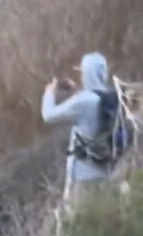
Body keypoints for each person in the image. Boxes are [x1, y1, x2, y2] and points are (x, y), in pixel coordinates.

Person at [41, 52, 115, 196]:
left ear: (87, 74)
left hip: (83, 176)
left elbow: (48, 116)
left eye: (82, 72)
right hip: (106, 172)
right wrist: (77, 92)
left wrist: (49, 94)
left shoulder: (83, 101)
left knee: (80, 217)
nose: (81, 77)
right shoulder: (112, 97)